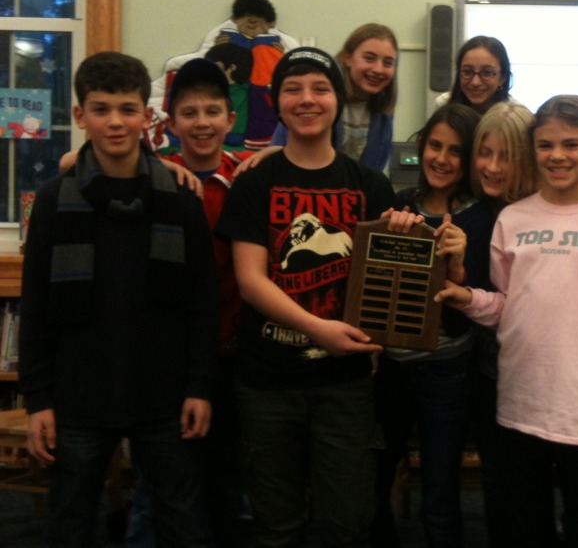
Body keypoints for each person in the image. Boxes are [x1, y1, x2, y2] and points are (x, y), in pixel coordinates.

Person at [18, 51, 219, 547]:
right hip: (78, 394)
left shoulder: (179, 197)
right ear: (80, 116)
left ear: (147, 118)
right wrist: (38, 398)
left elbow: (202, 304)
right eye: (101, 108)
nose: (115, 122)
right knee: (70, 523)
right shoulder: (51, 199)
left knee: (183, 524)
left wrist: (201, 386)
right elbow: (37, 307)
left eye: (128, 109)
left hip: (165, 393)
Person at [436, 95, 578, 547]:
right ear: (532, 150)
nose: (557, 156)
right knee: (524, 531)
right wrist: (466, 298)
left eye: (571, 144)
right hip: (519, 408)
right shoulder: (513, 219)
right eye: (546, 145)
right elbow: (508, 307)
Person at [214, 47, 400, 547]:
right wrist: (319, 330)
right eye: (293, 89)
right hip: (268, 382)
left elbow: (388, 278)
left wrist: (416, 236)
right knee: (277, 525)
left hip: (346, 385)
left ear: (337, 100)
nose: (307, 99)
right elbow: (252, 281)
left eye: (319, 88)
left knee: (346, 521)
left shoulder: (371, 186)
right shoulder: (255, 183)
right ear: (276, 103)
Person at [121, 58, 255, 548]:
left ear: (230, 119)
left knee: (231, 488)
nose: (202, 123)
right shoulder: (153, 178)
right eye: (190, 113)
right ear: (170, 124)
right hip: (167, 363)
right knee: (159, 491)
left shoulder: (247, 177)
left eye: (213, 112)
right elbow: (81, 163)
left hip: (231, 357)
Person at [371, 103, 490, 548]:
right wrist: (389, 234)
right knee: (376, 481)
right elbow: (376, 283)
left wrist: (458, 265)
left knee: (440, 492)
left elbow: (478, 302)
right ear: (421, 147)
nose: (442, 158)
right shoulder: (399, 205)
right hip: (394, 368)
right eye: (435, 146)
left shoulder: (481, 218)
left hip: (449, 370)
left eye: (455, 151)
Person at [466, 102, 537, 547]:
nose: (492, 167)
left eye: (505, 155)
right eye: (484, 153)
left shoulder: (544, 213)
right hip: (488, 374)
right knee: (498, 484)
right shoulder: (472, 218)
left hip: (541, 374)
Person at [266, 23, 398, 171]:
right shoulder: (321, 103)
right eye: (369, 59)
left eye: (387, 63)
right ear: (348, 58)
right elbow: (280, 148)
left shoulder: (383, 113)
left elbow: (374, 170)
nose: (378, 69)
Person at [433, 36, 518, 115]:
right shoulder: (445, 104)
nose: (475, 82)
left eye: (487, 73)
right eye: (467, 72)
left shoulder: (514, 114)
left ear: (502, 78)